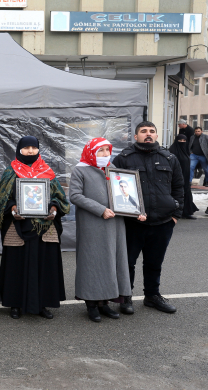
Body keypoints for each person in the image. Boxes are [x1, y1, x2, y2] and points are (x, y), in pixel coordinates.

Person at [0, 136, 70, 320]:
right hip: (18, 224)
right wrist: (13, 208)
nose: (30, 151)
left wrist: (54, 208)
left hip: (45, 226)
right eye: (26, 148)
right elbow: (2, 197)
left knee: (45, 264)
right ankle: (15, 304)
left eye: (34, 148)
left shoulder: (47, 171)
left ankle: (42, 304)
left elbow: (60, 197)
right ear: (19, 150)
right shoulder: (11, 171)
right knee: (16, 265)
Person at [113, 121, 184, 314]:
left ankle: (152, 296)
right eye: (143, 131)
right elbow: (114, 190)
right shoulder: (123, 159)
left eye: (152, 131)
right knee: (128, 262)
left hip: (162, 222)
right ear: (135, 137)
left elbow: (179, 187)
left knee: (154, 262)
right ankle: (125, 297)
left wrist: (176, 215)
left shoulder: (169, 158)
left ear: (157, 135)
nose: (148, 134)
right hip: (132, 223)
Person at [69, 138, 141, 323]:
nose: (104, 155)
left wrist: (137, 210)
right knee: (93, 262)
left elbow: (126, 193)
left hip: (115, 224)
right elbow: (75, 195)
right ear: (90, 152)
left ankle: (105, 302)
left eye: (107, 151)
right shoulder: (80, 170)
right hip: (92, 224)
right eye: (100, 151)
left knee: (111, 261)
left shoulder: (113, 170)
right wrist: (100, 209)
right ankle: (91, 304)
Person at [169, 134, 198, 219]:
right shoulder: (172, 150)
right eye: (180, 140)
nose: (182, 142)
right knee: (177, 193)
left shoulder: (186, 150)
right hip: (176, 177)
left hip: (185, 176)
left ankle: (186, 212)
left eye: (184, 141)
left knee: (186, 192)